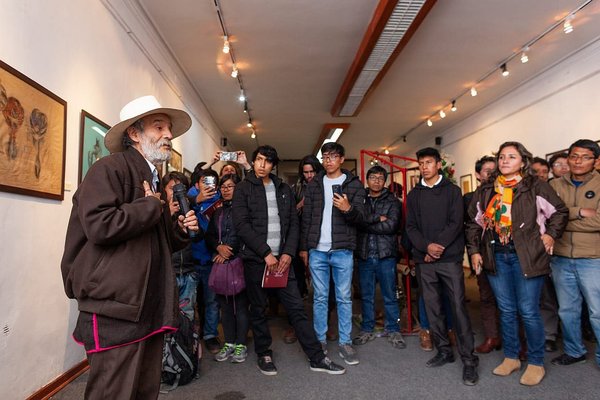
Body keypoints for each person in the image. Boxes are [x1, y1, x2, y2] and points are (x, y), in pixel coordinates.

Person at [61, 95, 199, 399]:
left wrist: (178, 229)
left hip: (146, 304)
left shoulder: (151, 177)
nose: (168, 135)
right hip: (115, 306)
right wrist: (150, 206)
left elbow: (154, 240)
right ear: (134, 134)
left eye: (169, 129)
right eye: (159, 127)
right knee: (113, 392)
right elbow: (100, 225)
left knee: (143, 390)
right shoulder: (108, 169)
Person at [232, 145, 345, 375]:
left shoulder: (283, 188)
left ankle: (316, 357)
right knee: (259, 308)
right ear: (253, 162)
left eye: (268, 161)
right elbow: (241, 225)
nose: (262, 165)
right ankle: (264, 353)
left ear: (274, 165)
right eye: (259, 160)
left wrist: (287, 253)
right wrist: (265, 253)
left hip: (283, 262)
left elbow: (294, 223)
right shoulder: (243, 189)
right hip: (257, 260)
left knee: (297, 308)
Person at [466, 141, 567, 386]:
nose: (505, 161)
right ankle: (511, 357)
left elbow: (560, 212)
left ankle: (535, 362)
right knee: (507, 310)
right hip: (496, 254)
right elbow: (473, 222)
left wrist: (550, 234)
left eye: (511, 156)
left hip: (528, 255)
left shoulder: (536, 186)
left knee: (529, 311)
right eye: (501, 157)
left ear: (523, 160)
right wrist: (474, 251)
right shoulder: (487, 189)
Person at [405, 147, 479, 386]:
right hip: (425, 260)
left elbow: (456, 222)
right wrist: (427, 248)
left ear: (438, 165)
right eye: (421, 163)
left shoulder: (453, 191)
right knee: (433, 308)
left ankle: (469, 359)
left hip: (449, 258)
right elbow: (411, 227)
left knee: (457, 307)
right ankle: (444, 350)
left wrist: (438, 247)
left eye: (429, 162)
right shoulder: (414, 195)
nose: (424, 166)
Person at [299, 142, 366, 366]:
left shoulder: (354, 185)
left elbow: (362, 218)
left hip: (342, 250)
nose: (328, 161)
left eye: (333, 156)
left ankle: (345, 342)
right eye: (325, 157)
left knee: (344, 298)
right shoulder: (314, 184)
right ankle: (319, 341)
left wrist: (348, 209)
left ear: (342, 159)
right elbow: (306, 218)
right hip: (317, 250)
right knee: (319, 297)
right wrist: (305, 247)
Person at [549, 139, 600, 368]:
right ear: (568, 158)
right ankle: (574, 350)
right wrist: (579, 212)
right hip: (560, 258)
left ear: (596, 161)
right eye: (574, 156)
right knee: (567, 311)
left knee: (597, 312)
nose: (578, 161)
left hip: (593, 259)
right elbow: (547, 218)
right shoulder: (554, 185)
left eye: (585, 157)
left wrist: (563, 219)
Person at [353, 165, 406, 349]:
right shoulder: (360, 200)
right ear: (366, 180)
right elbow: (356, 221)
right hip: (365, 254)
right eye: (373, 177)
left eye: (380, 178)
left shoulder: (393, 201)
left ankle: (393, 330)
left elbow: (391, 226)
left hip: (386, 255)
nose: (376, 181)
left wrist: (366, 222)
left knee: (389, 295)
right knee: (366, 296)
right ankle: (367, 329)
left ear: (385, 181)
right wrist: (377, 219)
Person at [205, 174, 250, 363]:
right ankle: (229, 342)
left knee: (240, 306)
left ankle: (241, 344)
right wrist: (218, 248)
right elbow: (210, 236)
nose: (225, 189)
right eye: (223, 186)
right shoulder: (217, 211)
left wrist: (228, 252)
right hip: (221, 265)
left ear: (238, 188)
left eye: (230, 186)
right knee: (224, 306)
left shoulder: (246, 210)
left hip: (240, 262)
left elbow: (247, 235)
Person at [463, 155, 501, 354]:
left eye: (496, 170)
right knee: (486, 297)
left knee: (511, 300)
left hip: (506, 253)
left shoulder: (507, 194)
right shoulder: (471, 198)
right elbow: (471, 228)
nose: (493, 174)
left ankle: (518, 342)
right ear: (478, 175)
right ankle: (491, 336)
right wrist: (474, 252)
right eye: (488, 171)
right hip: (483, 254)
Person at [188, 168, 223, 354]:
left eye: (211, 182)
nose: (208, 185)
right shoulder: (188, 199)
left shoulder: (221, 201)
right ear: (196, 185)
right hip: (191, 259)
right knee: (189, 302)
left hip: (212, 260)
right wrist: (196, 201)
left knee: (212, 302)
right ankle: (190, 335)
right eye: (203, 181)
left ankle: (210, 335)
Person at [162, 171, 199, 322]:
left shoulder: (189, 209)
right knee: (166, 317)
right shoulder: (157, 210)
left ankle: (186, 344)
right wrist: (169, 214)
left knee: (187, 316)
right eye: (172, 188)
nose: (175, 193)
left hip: (189, 272)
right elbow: (159, 238)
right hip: (168, 273)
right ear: (164, 189)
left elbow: (199, 236)